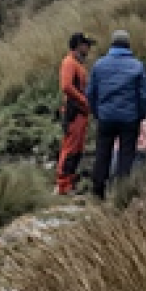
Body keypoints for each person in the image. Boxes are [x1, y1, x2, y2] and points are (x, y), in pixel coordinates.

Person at [87, 29, 146, 199]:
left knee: (102, 154)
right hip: (129, 119)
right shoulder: (137, 66)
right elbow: (144, 95)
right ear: (128, 45)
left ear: (112, 44)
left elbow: (91, 93)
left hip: (106, 117)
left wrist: (97, 112)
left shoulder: (99, 65)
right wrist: (141, 115)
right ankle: (122, 193)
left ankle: (98, 191)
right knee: (126, 156)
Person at [56, 33, 95, 195]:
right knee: (70, 149)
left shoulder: (77, 64)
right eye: (86, 44)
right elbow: (66, 86)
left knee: (77, 149)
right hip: (74, 111)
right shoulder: (69, 62)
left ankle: (70, 183)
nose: (89, 48)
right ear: (79, 45)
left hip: (80, 112)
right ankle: (63, 185)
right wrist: (84, 101)